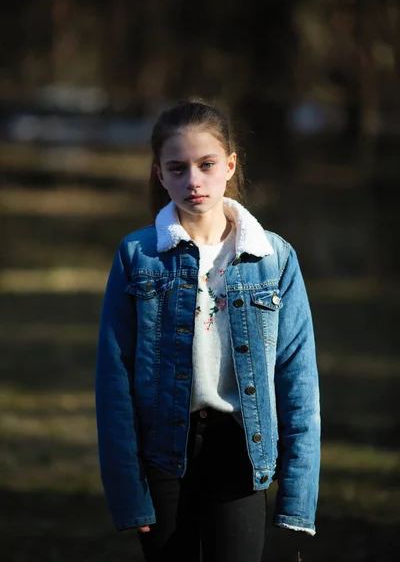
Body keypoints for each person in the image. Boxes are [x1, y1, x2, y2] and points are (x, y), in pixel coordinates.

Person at [95, 99, 321, 562]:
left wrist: (298, 495)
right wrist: (127, 490)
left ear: (230, 165)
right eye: (177, 168)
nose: (193, 180)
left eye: (206, 164)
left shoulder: (273, 258)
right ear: (160, 174)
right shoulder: (137, 256)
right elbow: (113, 377)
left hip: (239, 450)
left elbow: (298, 379)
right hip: (161, 453)